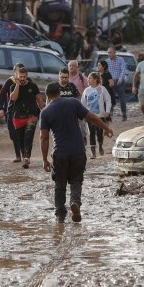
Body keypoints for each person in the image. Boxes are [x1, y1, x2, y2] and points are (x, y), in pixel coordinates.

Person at [39, 84, 113, 223]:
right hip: (78, 151)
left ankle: (60, 215)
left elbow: (44, 137)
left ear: (47, 95)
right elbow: (92, 118)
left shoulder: (45, 112)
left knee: (59, 185)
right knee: (76, 181)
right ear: (59, 92)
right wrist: (106, 128)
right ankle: (75, 203)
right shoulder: (73, 102)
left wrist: (44, 159)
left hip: (60, 153)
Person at [9, 67, 44, 169]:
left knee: (28, 136)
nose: (22, 78)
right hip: (17, 116)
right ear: (17, 76)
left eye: (24, 77)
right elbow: (13, 98)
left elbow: (39, 99)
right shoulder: (13, 86)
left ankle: (26, 158)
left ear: (27, 76)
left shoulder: (33, 86)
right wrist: (17, 85)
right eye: (21, 77)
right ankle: (24, 155)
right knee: (20, 139)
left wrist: (44, 111)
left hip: (31, 115)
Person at [0, 63, 25, 162]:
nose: (19, 74)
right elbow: (1, 95)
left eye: (21, 72)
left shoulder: (27, 82)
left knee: (23, 133)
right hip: (11, 111)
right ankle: (18, 155)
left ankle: (24, 155)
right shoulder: (9, 82)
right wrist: (1, 108)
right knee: (13, 134)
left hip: (23, 112)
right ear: (14, 72)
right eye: (17, 72)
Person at [82, 72, 112, 158]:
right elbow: (83, 103)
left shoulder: (102, 89)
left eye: (90, 78)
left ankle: (100, 146)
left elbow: (108, 100)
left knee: (99, 133)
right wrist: (83, 114)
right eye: (88, 78)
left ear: (95, 79)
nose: (88, 80)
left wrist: (107, 111)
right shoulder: (86, 90)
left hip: (100, 116)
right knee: (91, 133)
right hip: (90, 116)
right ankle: (93, 152)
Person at [105, 47, 128, 121]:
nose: (109, 54)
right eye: (108, 52)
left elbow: (123, 69)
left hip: (119, 81)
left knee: (122, 98)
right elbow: (106, 72)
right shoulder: (107, 61)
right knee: (110, 98)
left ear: (115, 52)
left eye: (110, 52)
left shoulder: (120, 59)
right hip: (111, 81)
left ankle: (124, 114)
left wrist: (121, 78)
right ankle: (110, 114)